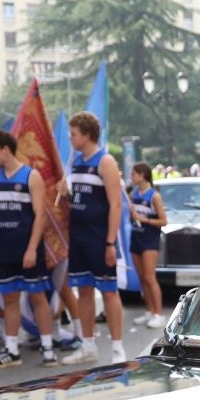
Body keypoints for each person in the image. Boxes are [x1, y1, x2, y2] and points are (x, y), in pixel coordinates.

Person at [0, 129, 54, 370]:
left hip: (28, 248)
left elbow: (41, 217)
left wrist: (32, 249)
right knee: (9, 298)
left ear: (5, 149)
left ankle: (48, 348)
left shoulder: (31, 176)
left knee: (37, 297)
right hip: (5, 248)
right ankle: (11, 350)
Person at [58, 112, 124, 364]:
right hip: (79, 237)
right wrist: (65, 193)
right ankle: (88, 346)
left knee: (108, 292)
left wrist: (110, 242)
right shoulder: (74, 162)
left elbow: (115, 205)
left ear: (86, 135)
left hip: (99, 238)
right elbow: (77, 201)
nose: (70, 138)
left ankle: (118, 349)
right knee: (83, 290)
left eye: (73, 134)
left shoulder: (104, 161)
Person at [126, 162, 167, 328]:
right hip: (136, 238)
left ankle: (158, 313)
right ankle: (149, 310)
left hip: (150, 240)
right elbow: (132, 218)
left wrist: (146, 220)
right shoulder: (133, 194)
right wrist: (131, 214)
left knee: (150, 277)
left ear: (142, 175)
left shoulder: (154, 196)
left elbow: (163, 221)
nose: (131, 177)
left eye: (133, 174)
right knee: (142, 277)